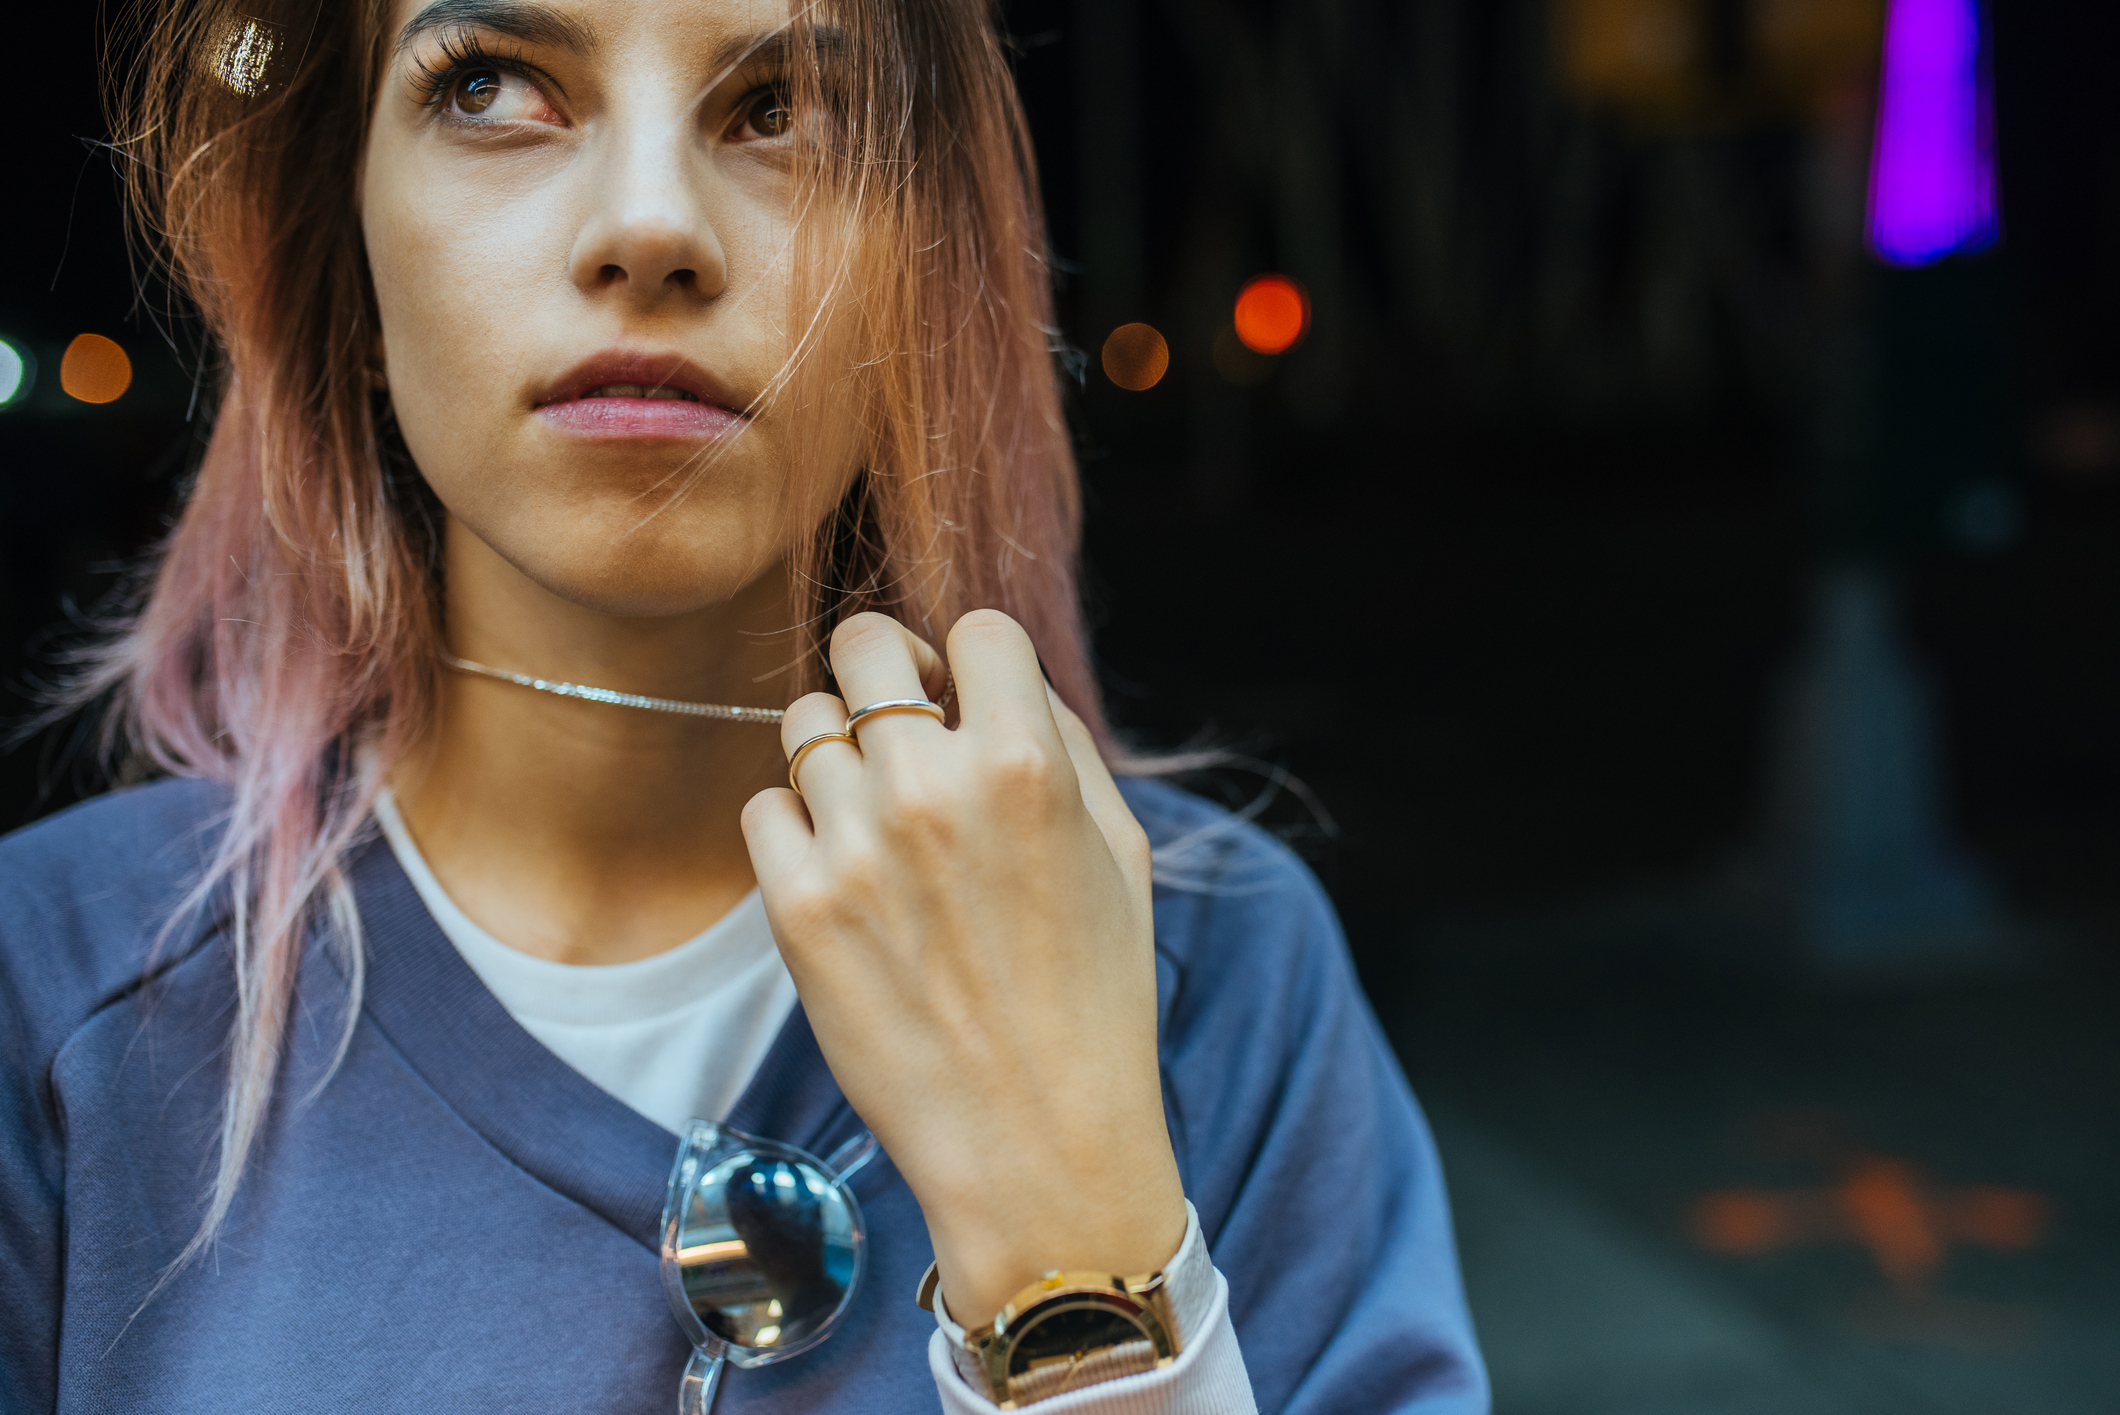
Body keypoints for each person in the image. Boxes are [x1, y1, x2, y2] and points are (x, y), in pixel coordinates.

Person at [0, 0, 1488, 1409]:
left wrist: (1072, 1243)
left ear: (924, 257)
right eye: (491, 84)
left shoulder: (1215, 975)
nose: (651, 225)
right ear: (347, 241)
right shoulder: (52, 1002)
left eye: (786, 108)